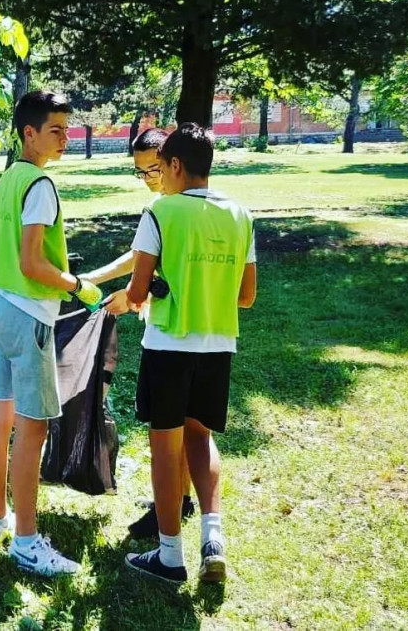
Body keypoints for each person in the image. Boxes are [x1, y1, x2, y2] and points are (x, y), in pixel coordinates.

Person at [119, 123, 257, 585]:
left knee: (165, 447)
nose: (160, 177)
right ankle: (213, 540)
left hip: (168, 347)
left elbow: (136, 291)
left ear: (175, 165)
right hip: (217, 346)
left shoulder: (161, 212)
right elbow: (246, 296)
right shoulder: (239, 214)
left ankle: (169, 555)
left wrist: (152, 289)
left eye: (161, 168)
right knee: (201, 438)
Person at [0, 90, 103, 577]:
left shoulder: (12, 176)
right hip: (28, 315)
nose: (65, 138)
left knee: (1, 416)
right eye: (56, 130)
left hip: (0, 308)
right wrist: (77, 285)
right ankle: (27, 543)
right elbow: (32, 262)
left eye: (67, 129)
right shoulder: (41, 184)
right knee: (32, 430)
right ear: (29, 133)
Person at [79, 128, 198, 538]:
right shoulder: (173, 206)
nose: (148, 179)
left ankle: (172, 509)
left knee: (169, 431)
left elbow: (158, 279)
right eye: (140, 172)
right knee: (184, 427)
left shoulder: (172, 209)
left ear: (172, 162)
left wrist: (132, 297)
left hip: (175, 336)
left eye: (153, 170)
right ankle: (180, 498)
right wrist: (93, 278)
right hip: (194, 334)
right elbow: (140, 258)